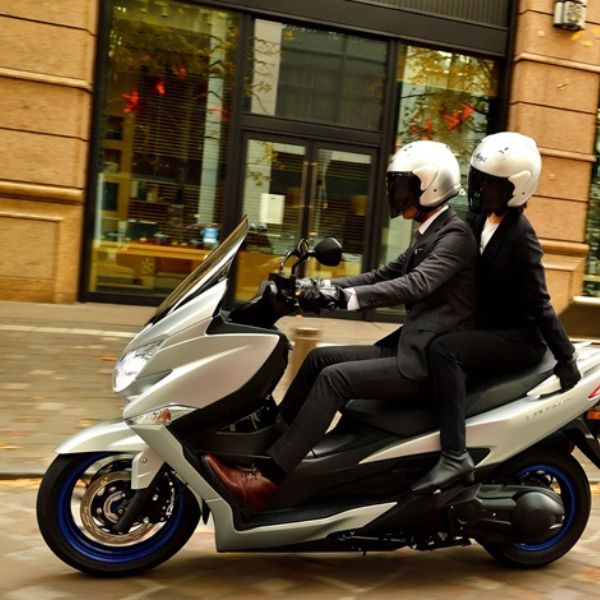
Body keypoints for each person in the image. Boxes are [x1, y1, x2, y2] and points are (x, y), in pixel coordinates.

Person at [204, 140, 478, 511]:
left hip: (425, 363)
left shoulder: (455, 237)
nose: (395, 193)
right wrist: (317, 288)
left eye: (402, 185)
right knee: (317, 360)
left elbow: (415, 284)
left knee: (335, 380)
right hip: (410, 347)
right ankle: (270, 451)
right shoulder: (430, 232)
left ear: (428, 187)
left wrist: (344, 298)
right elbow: (382, 275)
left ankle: (266, 482)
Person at [411, 132, 582, 494]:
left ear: (514, 189)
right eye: (479, 179)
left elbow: (540, 303)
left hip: (519, 339)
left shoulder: (521, 236)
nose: (480, 188)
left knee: (445, 350)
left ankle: (455, 455)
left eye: (490, 183)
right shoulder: (478, 221)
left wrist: (566, 358)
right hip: (488, 328)